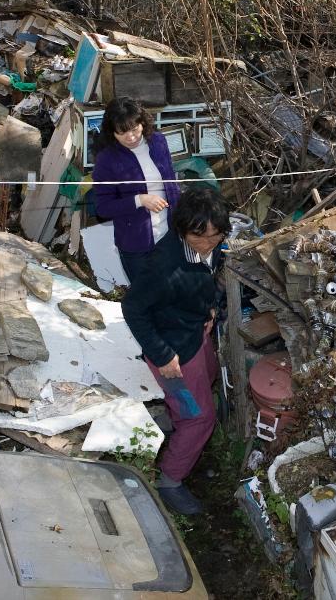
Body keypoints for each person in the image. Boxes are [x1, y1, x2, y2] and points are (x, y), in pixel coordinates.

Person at [121, 187, 230, 515]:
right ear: (183, 230)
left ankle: (171, 418)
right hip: (174, 355)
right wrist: (162, 354)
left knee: (208, 377)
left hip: (195, 335)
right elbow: (132, 308)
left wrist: (209, 308)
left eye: (216, 236)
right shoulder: (162, 267)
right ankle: (170, 479)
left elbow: (205, 278)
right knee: (199, 418)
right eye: (202, 238)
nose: (210, 244)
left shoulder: (207, 246)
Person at [91, 97, 181, 285]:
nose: (131, 137)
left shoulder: (158, 142)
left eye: (134, 129)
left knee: (173, 292)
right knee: (146, 298)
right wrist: (139, 200)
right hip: (136, 244)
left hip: (169, 236)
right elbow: (103, 208)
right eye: (122, 132)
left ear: (143, 123)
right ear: (112, 132)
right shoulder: (106, 160)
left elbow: (171, 182)